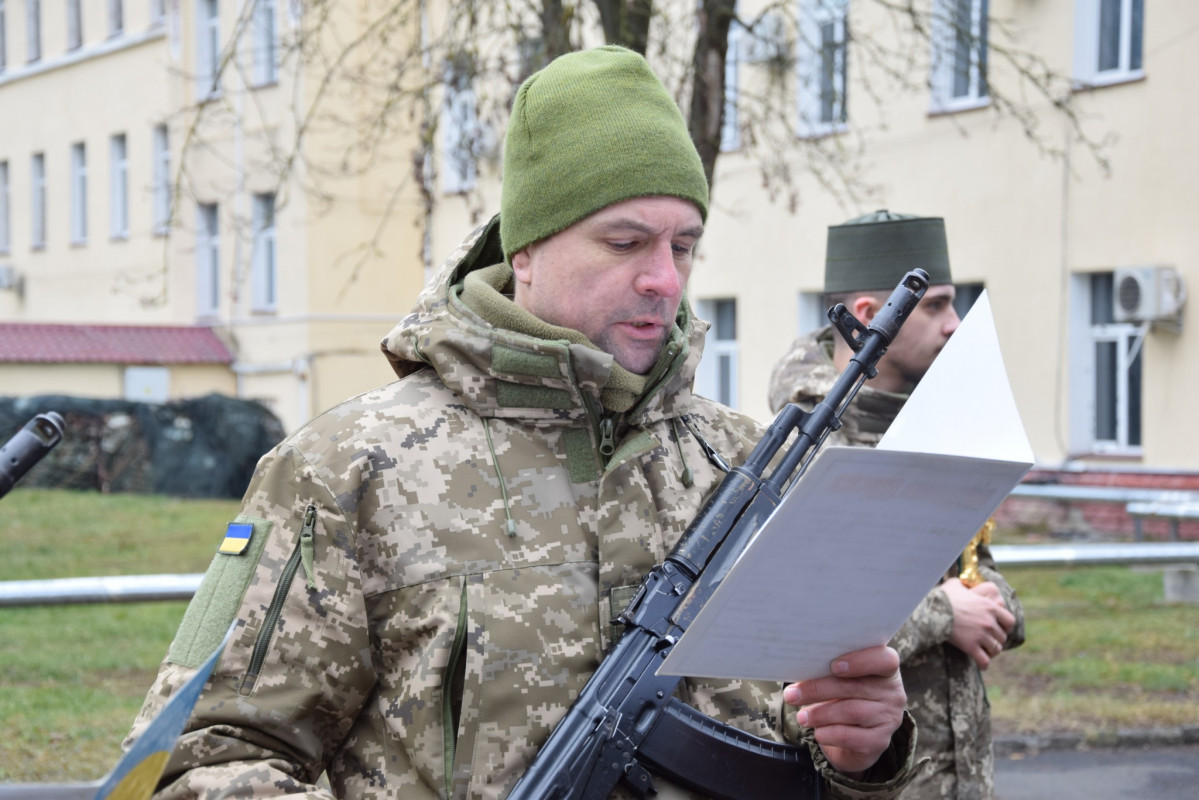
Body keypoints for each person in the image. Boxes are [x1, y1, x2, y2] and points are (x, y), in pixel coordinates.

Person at [126, 48, 920, 799]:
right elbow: (204, 759)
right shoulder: (347, 469)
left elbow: (797, 737)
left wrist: (861, 751)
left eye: (684, 246)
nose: (663, 279)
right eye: (624, 242)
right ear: (528, 248)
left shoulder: (742, 461)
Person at [767, 210, 1026, 800]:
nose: (955, 325)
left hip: (959, 778)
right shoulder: (804, 449)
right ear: (868, 316)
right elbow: (794, 623)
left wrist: (990, 601)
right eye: (935, 306)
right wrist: (945, 615)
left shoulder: (938, 427)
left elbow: (977, 569)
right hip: (865, 783)